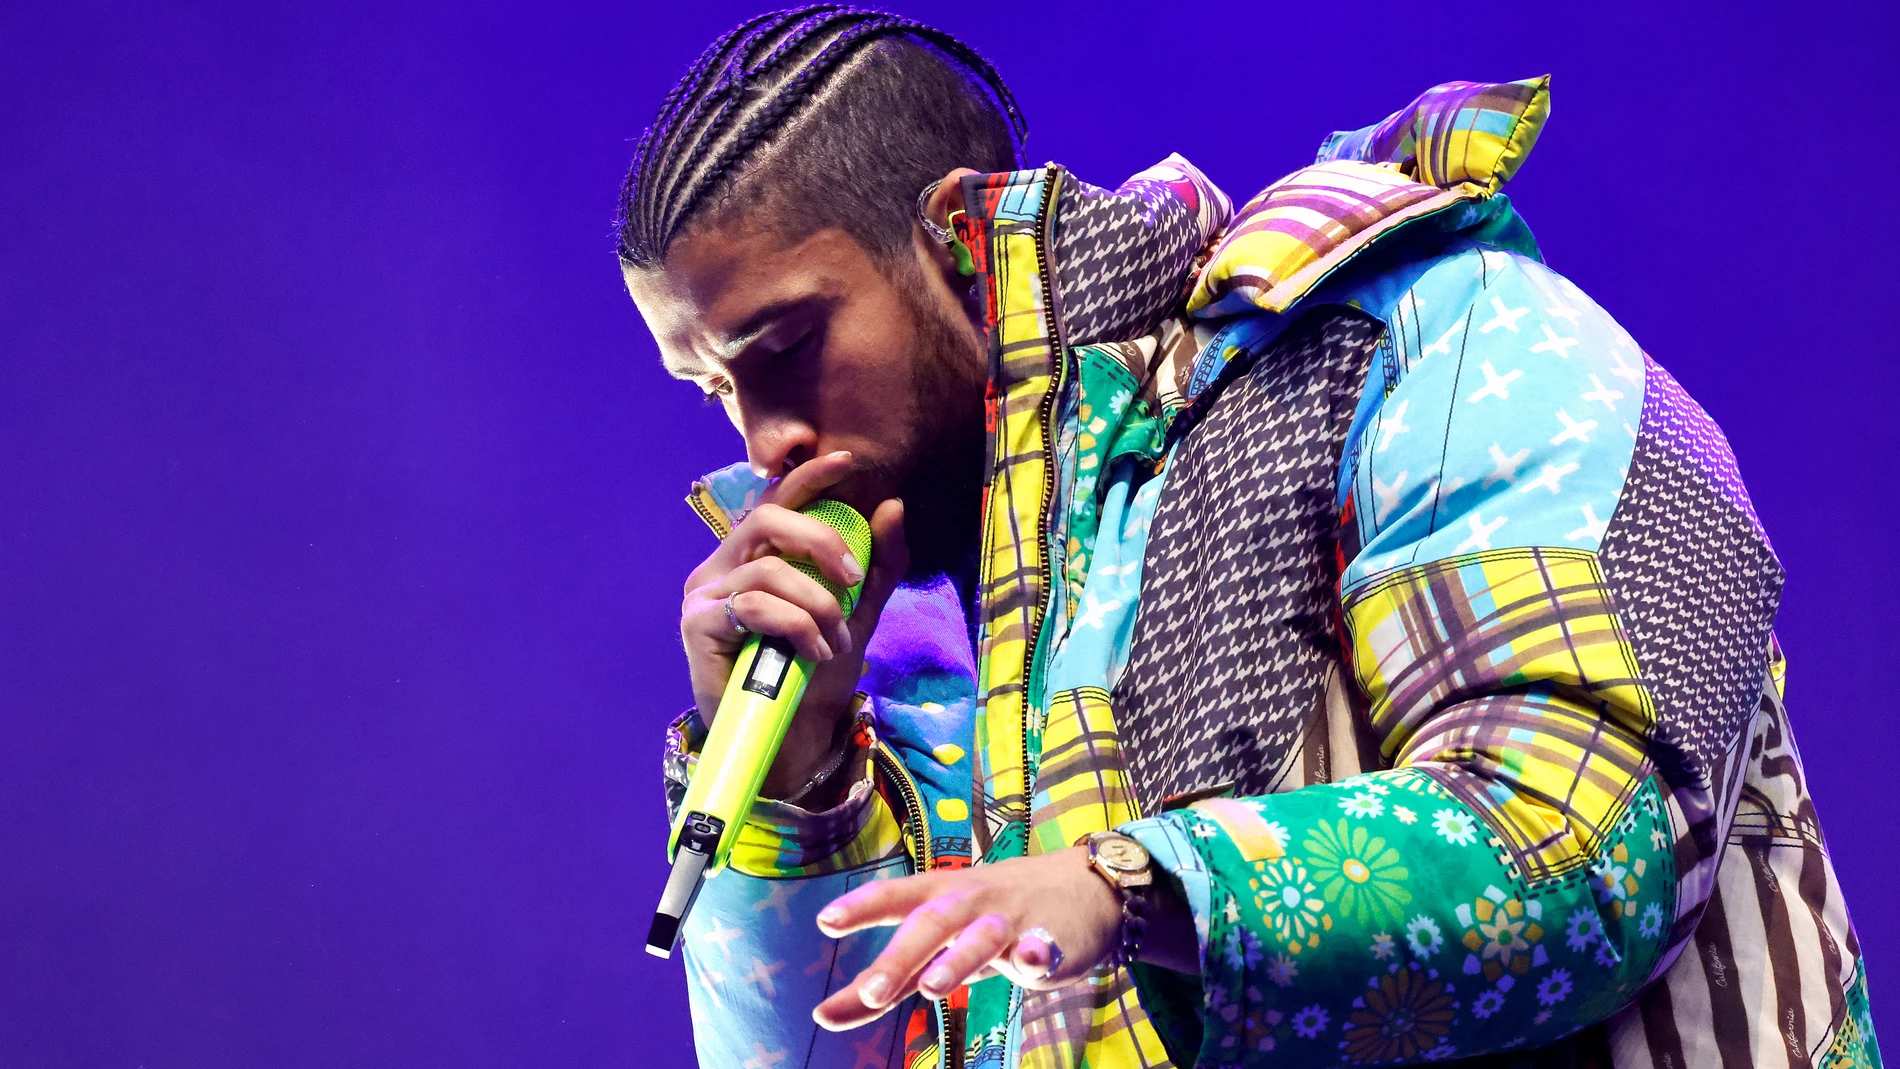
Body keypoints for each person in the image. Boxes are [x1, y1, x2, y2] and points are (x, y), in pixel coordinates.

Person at [616, 7, 1878, 1068]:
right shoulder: (926, 654)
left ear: (952, 242)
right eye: (712, 387)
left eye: (787, 347)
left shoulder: (1445, 340)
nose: (764, 440)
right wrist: (793, 784)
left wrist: (1131, 884)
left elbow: (1583, 847)